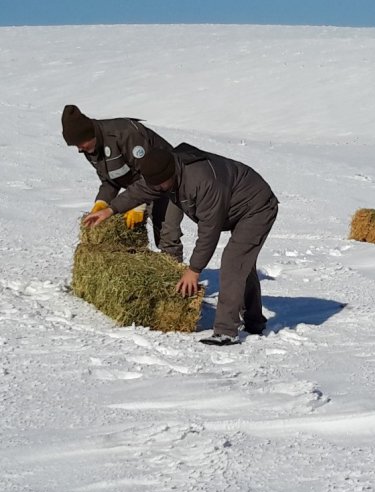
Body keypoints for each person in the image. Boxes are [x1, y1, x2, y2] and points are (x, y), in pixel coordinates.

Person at [83, 143, 278, 346]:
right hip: (233, 205)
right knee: (241, 264)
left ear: (172, 173)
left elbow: (209, 231)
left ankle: (226, 331)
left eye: (160, 185)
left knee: (233, 261)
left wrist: (194, 270)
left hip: (256, 207)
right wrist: (111, 209)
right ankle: (254, 322)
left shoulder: (203, 181)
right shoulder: (164, 172)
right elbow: (141, 190)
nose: (157, 189)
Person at [62, 104, 184, 261]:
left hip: (169, 181)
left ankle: (177, 279)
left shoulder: (126, 134)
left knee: (167, 232)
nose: (79, 149)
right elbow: (110, 180)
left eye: (80, 144)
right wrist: (102, 202)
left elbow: (150, 173)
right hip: (140, 188)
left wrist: (138, 205)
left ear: (90, 135)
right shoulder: (90, 149)